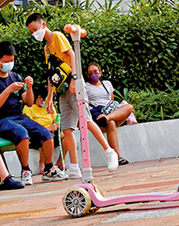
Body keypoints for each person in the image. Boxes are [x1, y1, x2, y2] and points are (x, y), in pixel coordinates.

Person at [27, 14, 118, 172]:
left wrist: (75, 78)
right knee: (67, 128)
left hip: (73, 84)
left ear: (43, 25)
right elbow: (51, 75)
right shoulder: (46, 48)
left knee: (86, 119)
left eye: (35, 29)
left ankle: (109, 151)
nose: (34, 33)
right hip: (62, 89)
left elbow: (72, 55)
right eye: (31, 31)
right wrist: (50, 98)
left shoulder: (57, 36)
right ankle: (74, 166)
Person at [0, 42, 62, 182]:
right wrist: (8, 90)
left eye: (12, 60)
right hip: (0, 120)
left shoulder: (15, 77)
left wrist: (29, 88)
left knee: (45, 133)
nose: (9, 64)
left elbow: (29, 102)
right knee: (21, 134)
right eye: (6, 61)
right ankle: (25, 170)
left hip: (18, 116)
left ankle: (49, 169)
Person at [83, 63, 135, 164]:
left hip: (109, 111)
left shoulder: (107, 84)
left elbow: (111, 98)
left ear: (100, 73)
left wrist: (108, 115)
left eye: (95, 71)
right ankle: (118, 157)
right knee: (111, 123)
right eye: (90, 73)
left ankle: (107, 118)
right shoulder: (86, 86)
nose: (93, 74)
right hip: (97, 112)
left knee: (129, 107)